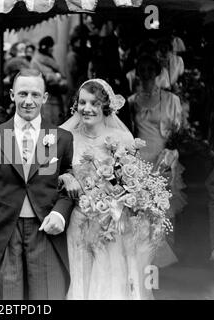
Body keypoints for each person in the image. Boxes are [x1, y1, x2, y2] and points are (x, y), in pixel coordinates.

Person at [0, 69, 74, 299]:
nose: (29, 101)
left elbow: (70, 185)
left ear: (45, 98)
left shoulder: (63, 138)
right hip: (4, 235)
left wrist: (60, 214)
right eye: (23, 94)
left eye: (35, 95)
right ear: (11, 95)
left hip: (45, 233)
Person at [60, 78, 155, 300]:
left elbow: (134, 183)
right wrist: (65, 177)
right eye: (82, 103)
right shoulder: (66, 138)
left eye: (94, 103)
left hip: (112, 223)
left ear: (105, 106)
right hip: (80, 220)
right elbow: (53, 173)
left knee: (111, 280)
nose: (87, 109)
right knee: (80, 279)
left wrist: (126, 201)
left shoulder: (122, 138)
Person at [127, 55, 187, 268]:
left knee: (163, 210)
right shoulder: (132, 101)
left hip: (163, 159)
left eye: (149, 69)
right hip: (139, 161)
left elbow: (179, 132)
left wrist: (170, 154)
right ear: (137, 72)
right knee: (141, 212)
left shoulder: (171, 100)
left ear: (157, 72)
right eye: (141, 69)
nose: (145, 74)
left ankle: (163, 263)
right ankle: (144, 260)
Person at [31, 36, 67, 125]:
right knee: (50, 120)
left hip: (56, 93)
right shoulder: (36, 61)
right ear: (46, 47)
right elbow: (37, 79)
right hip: (46, 96)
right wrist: (55, 77)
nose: (52, 49)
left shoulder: (49, 58)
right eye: (51, 47)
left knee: (58, 120)